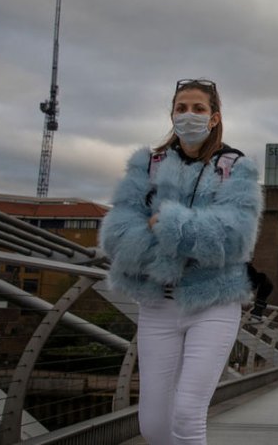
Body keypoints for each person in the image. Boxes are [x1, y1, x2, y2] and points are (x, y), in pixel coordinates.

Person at [99, 78, 263, 445]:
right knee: (154, 426)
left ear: (215, 117)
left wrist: (169, 224)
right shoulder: (148, 165)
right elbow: (117, 235)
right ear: (172, 114)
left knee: (188, 416)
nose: (188, 116)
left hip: (214, 302)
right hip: (157, 304)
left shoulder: (236, 168)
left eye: (198, 109)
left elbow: (235, 238)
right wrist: (192, 238)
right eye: (181, 108)